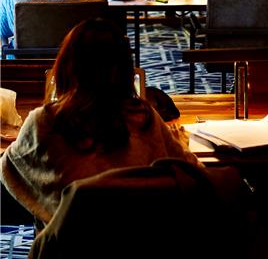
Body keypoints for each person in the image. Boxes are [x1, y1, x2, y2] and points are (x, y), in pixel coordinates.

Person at [0, 18, 202, 226]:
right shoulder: (145, 119)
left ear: (65, 66)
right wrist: (178, 142)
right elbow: (196, 173)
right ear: (126, 71)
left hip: (67, 239)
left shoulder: (45, 122)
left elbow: (9, 169)